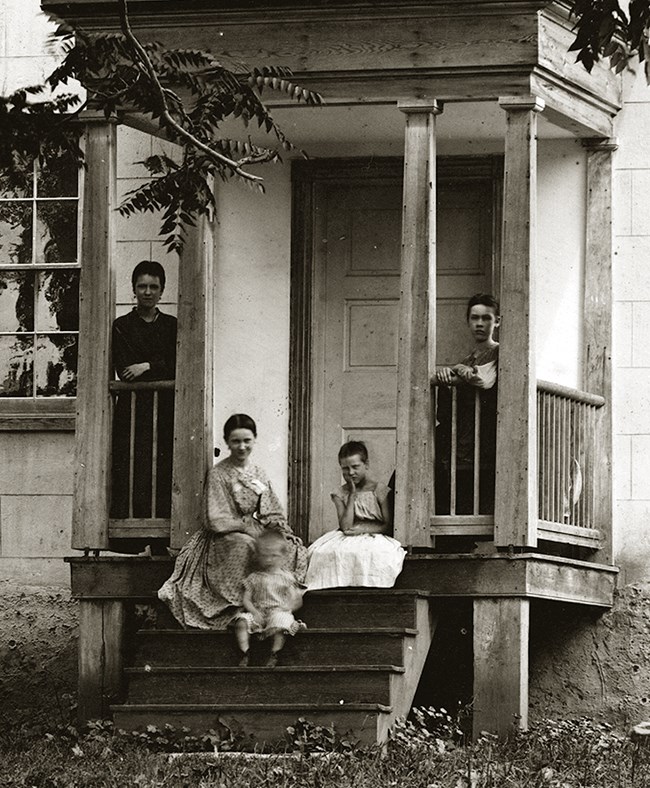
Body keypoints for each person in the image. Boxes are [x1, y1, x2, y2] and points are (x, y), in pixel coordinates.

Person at [158, 413, 308, 629]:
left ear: (254, 440)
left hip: (253, 527)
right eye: (236, 441)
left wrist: (275, 526)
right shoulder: (218, 473)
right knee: (244, 546)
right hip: (225, 534)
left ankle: (274, 605)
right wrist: (244, 527)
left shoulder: (258, 473)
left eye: (247, 441)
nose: (242, 447)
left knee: (288, 546)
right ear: (227, 442)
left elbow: (271, 508)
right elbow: (215, 518)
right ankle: (240, 609)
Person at [111, 260, 177, 523]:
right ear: (134, 289)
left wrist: (146, 365)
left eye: (153, 286)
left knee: (162, 466)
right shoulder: (122, 325)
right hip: (132, 409)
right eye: (142, 286)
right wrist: (149, 368)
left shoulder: (172, 325)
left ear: (162, 291)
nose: (147, 292)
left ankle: (162, 531)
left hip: (164, 408)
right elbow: (123, 369)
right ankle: (131, 539)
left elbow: (176, 365)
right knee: (131, 465)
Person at [305, 441, 406, 590]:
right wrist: (352, 496)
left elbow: (388, 525)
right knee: (322, 553)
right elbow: (345, 526)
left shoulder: (379, 490)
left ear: (366, 464)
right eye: (345, 469)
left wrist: (363, 530)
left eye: (355, 467)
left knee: (376, 554)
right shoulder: (340, 493)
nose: (351, 473)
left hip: (375, 535)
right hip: (347, 535)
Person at [432, 293, 500, 515]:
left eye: (486, 318)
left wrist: (463, 371)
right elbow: (458, 375)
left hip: (485, 429)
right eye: (474, 318)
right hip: (464, 428)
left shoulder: (499, 351)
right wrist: (448, 371)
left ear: (497, 321)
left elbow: (484, 380)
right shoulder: (470, 357)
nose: (480, 323)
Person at [235, 530, 307, 667]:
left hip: (277, 611)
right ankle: (245, 652)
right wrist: (254, 612)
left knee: (281, 622)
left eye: (274, 556)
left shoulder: (286, 578)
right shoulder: (254, 578)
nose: (269, 560)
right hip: (258, 612)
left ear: (284, 557)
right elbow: (246, 599)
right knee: (241, 622)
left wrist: (287, 607)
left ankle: (275, 653)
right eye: (264, 556)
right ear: (257, 556)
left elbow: (297, 599)